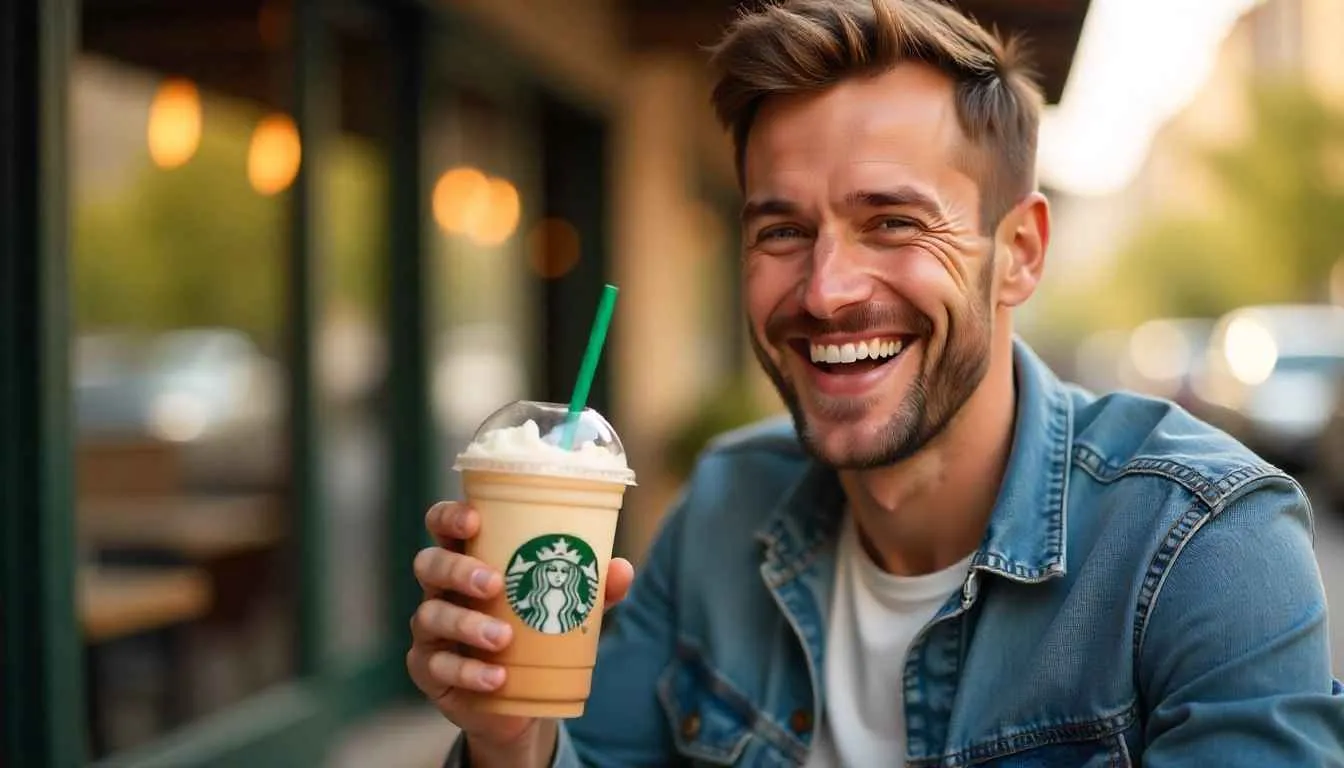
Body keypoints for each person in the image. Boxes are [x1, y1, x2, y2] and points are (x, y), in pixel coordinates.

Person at [407, 0, 1344, 765]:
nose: (826, 290)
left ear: (1018, 254)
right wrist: (513, 736)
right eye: (781, 231)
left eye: (893, 222)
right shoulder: (724, 510)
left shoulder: (1204, 546)